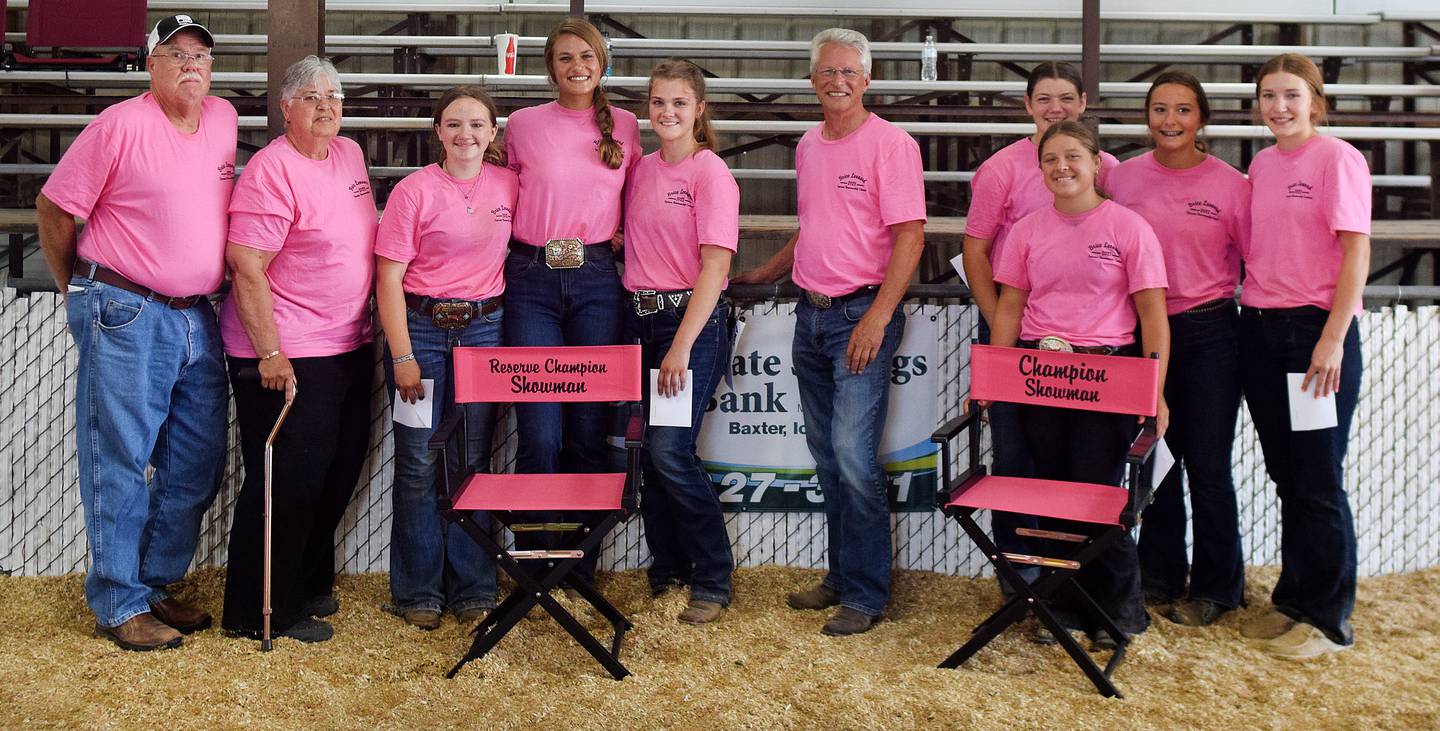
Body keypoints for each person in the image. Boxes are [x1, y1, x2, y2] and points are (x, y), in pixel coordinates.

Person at [35, 14, 235, 651]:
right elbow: (55, 206)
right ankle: (119, 601)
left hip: (197, 311)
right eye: (175, 54)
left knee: (195, 463)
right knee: (119, 458)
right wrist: (78, 290)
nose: (190, 65)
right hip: (125, 304)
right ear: (150, 65)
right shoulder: (120, 123)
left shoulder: (224, 120)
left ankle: (153, 583)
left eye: (201, 54)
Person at [735, 28, 926, 636]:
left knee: (851, 454)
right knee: (826, 456)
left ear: (866, 81)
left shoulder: (891, 145)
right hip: (810, 312)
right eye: (827, 72)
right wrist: (769, 270)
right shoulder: (809, 146)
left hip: (858, 313)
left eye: (849, 72)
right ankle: (842, 577)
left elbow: (911, 237)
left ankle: (867, 593)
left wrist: (877, 316)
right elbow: (815, 224)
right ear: (813, 80)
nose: (837, 81)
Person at [990, 120, 1170, 649]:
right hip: (1039, 377)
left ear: (1096, 163)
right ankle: (1062, 607)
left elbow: (1152, 314)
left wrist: (1154, 389)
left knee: (1099, 499)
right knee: (1050, 499)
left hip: (1107, 377)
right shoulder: (1026, 230)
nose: (1062, 167)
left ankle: (1118, 612)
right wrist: (994, 379)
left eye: (1073, 157)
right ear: (1040, 168)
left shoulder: (1128, 227)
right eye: (1050, 160)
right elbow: (1011, 306)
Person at [218, 56, 378, 644]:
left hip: (348, 343)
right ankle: (260, 609)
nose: (327, 106)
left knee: (337, 470)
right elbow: (246, 264)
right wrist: (268, 353)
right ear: (285, 107)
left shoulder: (350, 156)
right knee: (285, 480)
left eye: (334, 95)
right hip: (287, 351)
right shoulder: (269, 169)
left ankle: (306, 580)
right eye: (312, 97)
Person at [960, 62, 1120, 586]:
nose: (1056, 108)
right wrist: (1003, 331)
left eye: (1066, 98)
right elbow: (976, 249)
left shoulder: (1106, 167)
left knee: (1080, 468)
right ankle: (1020, 580)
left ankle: (1076, 582)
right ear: (1028, 106)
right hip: (1015, 333)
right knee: (1015, 460)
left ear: (1083, 102)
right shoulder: (1001, 169)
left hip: (1086, 346)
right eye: (1044, 99)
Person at [1237, 54, 1370, 659]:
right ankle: (1293, 598)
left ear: (1315, 100)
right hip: (1261, 331)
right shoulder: (1262, 164)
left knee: (1317, 477)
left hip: (1314, 335)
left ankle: (1328, 617)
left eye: (1291, 95)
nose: (1279, 107)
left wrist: (1332, 338)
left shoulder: (1338, 159)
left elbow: (1355, 252)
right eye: (1268, 95)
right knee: (1286, 472)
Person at [373, 86, 518, 630]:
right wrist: (402, 354)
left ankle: (474, 585)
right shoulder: (414, 191)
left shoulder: (508, 185)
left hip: (485, 332)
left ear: (493, 134)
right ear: (437, 131)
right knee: (416, 463)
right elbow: (387, 277)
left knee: (472, 460)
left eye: (477, 125)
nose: (466, 135)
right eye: (454, 124)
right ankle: (418, 590)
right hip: (422, 332)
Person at [1108, 70, 1250, 626]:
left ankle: (1217, 588)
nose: (1170, 121)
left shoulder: (1232, 185)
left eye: (1183, 110)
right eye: (1160, 109)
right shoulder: (1124, 180)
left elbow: (1257, 259)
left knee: (1209, 465)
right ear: (1147, 116)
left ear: (1201, 119)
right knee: (1156, 461)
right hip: (1142, 332)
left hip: (1210, 331)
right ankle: (1161, 577)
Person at [502, 18, 641, 581]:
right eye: (564, 58)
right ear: (549, 67)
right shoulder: (523, 125)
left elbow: (642, 202)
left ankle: (579, 564)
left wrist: (626, 235)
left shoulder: (628, 126)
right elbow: (498, 194)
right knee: (541, 428)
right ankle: (535, 561)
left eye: (586, 55)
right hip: (532, 276)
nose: (576, 66)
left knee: (587, 425)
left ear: (602, 62)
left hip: (596, 280)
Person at [623, 59, 740, 624]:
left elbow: (714, 268)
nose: (666, 112)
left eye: (678, 103)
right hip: (637, 320)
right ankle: (667, 568)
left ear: (699, 110)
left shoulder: (709, 171)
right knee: (647, 453)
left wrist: (681, 346)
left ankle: (713, 576)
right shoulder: (641, 169)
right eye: (657, 102)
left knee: (672, 450)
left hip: (685, 325)